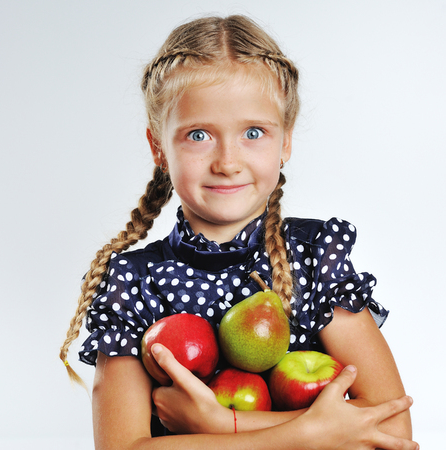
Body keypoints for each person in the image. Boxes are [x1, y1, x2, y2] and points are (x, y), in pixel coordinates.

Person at [60, 15, 418, 449]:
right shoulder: (133, 283)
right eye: (198, 135)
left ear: (285, 141)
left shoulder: (314, 258)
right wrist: (311, 431)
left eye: (253, 132)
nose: (227, 161)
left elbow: (393, 427)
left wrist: (219, 424)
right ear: (158, 147)